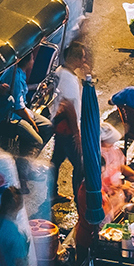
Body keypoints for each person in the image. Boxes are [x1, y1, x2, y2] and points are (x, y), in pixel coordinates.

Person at [50, 40, 89, 202]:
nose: (84, 61)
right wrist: (76, 133)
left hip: (59, 127)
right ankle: (79, 197)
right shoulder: (69, 79)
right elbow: (68, 106)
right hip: (67, 129)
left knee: (56, 161)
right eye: (82, 58)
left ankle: (52, 193)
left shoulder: (60, 71)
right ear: (75, 59)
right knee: (80, 165)